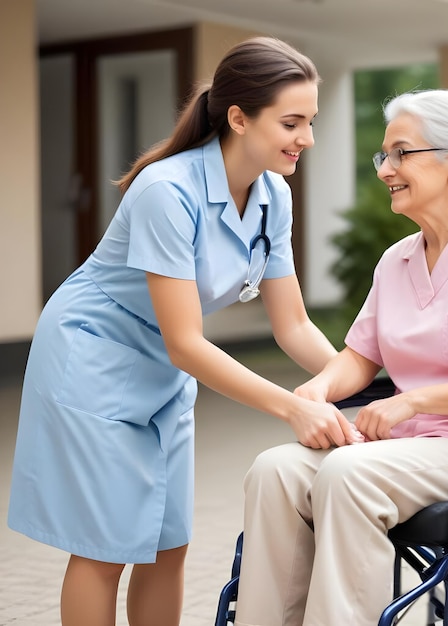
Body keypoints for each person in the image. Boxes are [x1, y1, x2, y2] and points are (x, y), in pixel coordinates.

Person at [8, 36, 361, 626]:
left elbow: (293, 323)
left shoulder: (274, 194)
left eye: (311, 121)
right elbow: (187, 341)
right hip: (94, 357)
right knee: (105, 549)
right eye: (292, 122)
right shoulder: (166, 191)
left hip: (165, 371)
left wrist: (351, 385)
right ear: (239, 118)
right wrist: (293, 409)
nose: (308, 138)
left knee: (168, 544)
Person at [232, 88, 448, 626]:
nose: (385, 169)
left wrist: (412, 401)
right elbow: (357, 357)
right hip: (407, 450)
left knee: (348, 473)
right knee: (274, 469)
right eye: (384, 156)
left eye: (400, 153)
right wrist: (317, 390)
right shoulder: (397, 260)